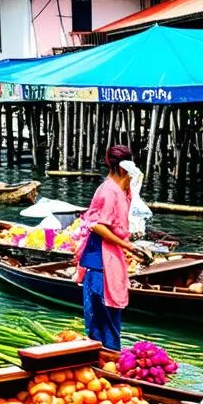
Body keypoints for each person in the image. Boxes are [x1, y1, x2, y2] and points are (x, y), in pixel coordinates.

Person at [73, 145, 142, 350]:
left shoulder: (121, 190)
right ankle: (106, 362)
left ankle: (111, 360)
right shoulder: (108, 191)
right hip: (99, 262)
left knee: (110, 321)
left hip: (109, 259)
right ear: (123, 169)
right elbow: (96, 225)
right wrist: (127, 246)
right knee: (100, 322)